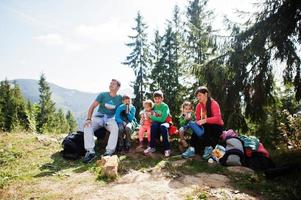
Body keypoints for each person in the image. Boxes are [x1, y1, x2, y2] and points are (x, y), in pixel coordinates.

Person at [82, 79, 122, 163]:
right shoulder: (102, 95)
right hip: (98, 117)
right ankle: (90, 152)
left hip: (110, 119)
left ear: (118, 87)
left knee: (115, 128)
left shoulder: (120, 98)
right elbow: (92, 107)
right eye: (110, 83)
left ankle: (109, 152)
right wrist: (88, 119)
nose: (111, 85)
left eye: (113, 84)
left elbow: (125, 107)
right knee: (87, 126)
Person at [182, 86, 224, 159]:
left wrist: (205, 120)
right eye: (197, 96)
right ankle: (191, 149)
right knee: (197, 127)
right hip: (205, 129)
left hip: (216, 128)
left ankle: (208, 148)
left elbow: (218, 118)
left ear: (206, 94)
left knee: (206, 124)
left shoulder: (214, 103)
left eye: (200, 95)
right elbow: (198, 120)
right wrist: (192, 122)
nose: (198, 97)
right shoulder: (198, 106)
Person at [143, 90, 172, 157]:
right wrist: (145, 116)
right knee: (154, 125)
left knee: (163, 127)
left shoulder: (165, 106)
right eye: (155, 99)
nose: (157, 100)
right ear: (154, 99)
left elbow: (163, 119)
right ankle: (152, 147)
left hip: (166, 122)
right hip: (157, 122)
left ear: (162, 98)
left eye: (159, 98)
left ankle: (167, 149)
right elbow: (146, 110)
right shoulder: (153, 106)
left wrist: (151, 117)